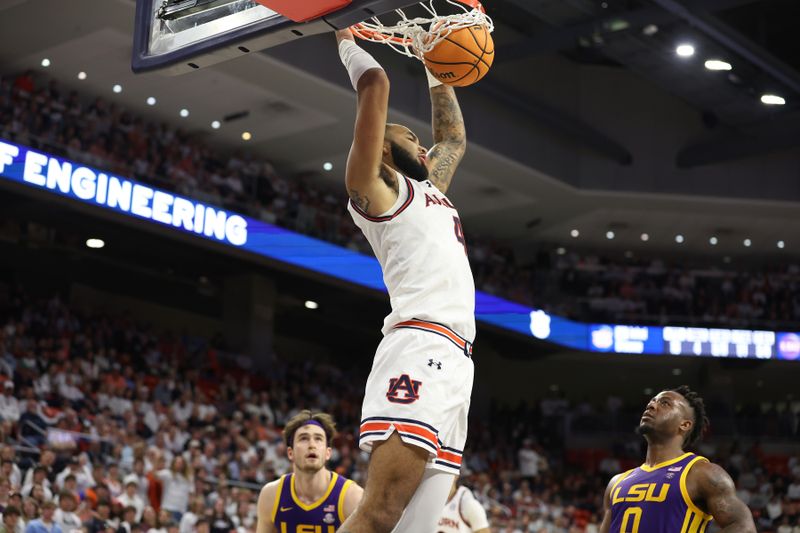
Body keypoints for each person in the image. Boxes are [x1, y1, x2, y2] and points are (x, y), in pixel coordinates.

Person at [334, 25, 475, 533]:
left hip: (459, 360)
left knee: (414, 529)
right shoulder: (376, 188)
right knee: (378, 515)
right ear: (384, 151)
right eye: (404, 134)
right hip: (420, 346)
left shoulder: (432, 189)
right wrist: (347, 43)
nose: (419, 139)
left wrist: (435, 61)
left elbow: (453, 138)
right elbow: (374, 85)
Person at [599, 386, 756, 533]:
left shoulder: (702, 473)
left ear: (685, 424)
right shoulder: (616, 482)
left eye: (665, 403)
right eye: (651, 402)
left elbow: (743, 527)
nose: (652, 406)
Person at [256, 411, 363, 533]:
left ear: (328, 453)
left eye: (318, 439)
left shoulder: (352, 497)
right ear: (290, 453)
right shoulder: (271, 495)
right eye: (304, 438)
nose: (312, 445)